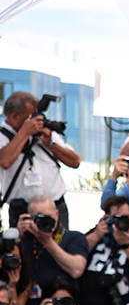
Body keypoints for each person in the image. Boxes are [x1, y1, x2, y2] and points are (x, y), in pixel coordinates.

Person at [0, 91, 81, 228]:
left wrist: (51, 144)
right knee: (25, 249)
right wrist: (25, 132)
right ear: (15, 116)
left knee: (60, 248)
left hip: (54, 208)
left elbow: (74, 162)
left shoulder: (43, 133)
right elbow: (4, 161)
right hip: (23, 211)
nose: (37, 121)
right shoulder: (3, 136)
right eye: (31, 117)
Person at [14, 195, 89, 301]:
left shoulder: (74, 238)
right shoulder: (25, 241)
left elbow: (77, 270)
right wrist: (18, 237)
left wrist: (48, 242)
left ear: (57, 214)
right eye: (39, 218)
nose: (44, 222)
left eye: (48, 217)